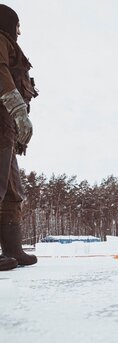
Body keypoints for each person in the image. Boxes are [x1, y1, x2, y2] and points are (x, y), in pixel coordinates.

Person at [0, 4, 39, 270]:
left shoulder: (12, 47)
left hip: (7, 129)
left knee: (13, 190)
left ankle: (12, 248)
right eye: (17, 25)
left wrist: (19, 125)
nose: (20, 31)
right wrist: (17, 109)